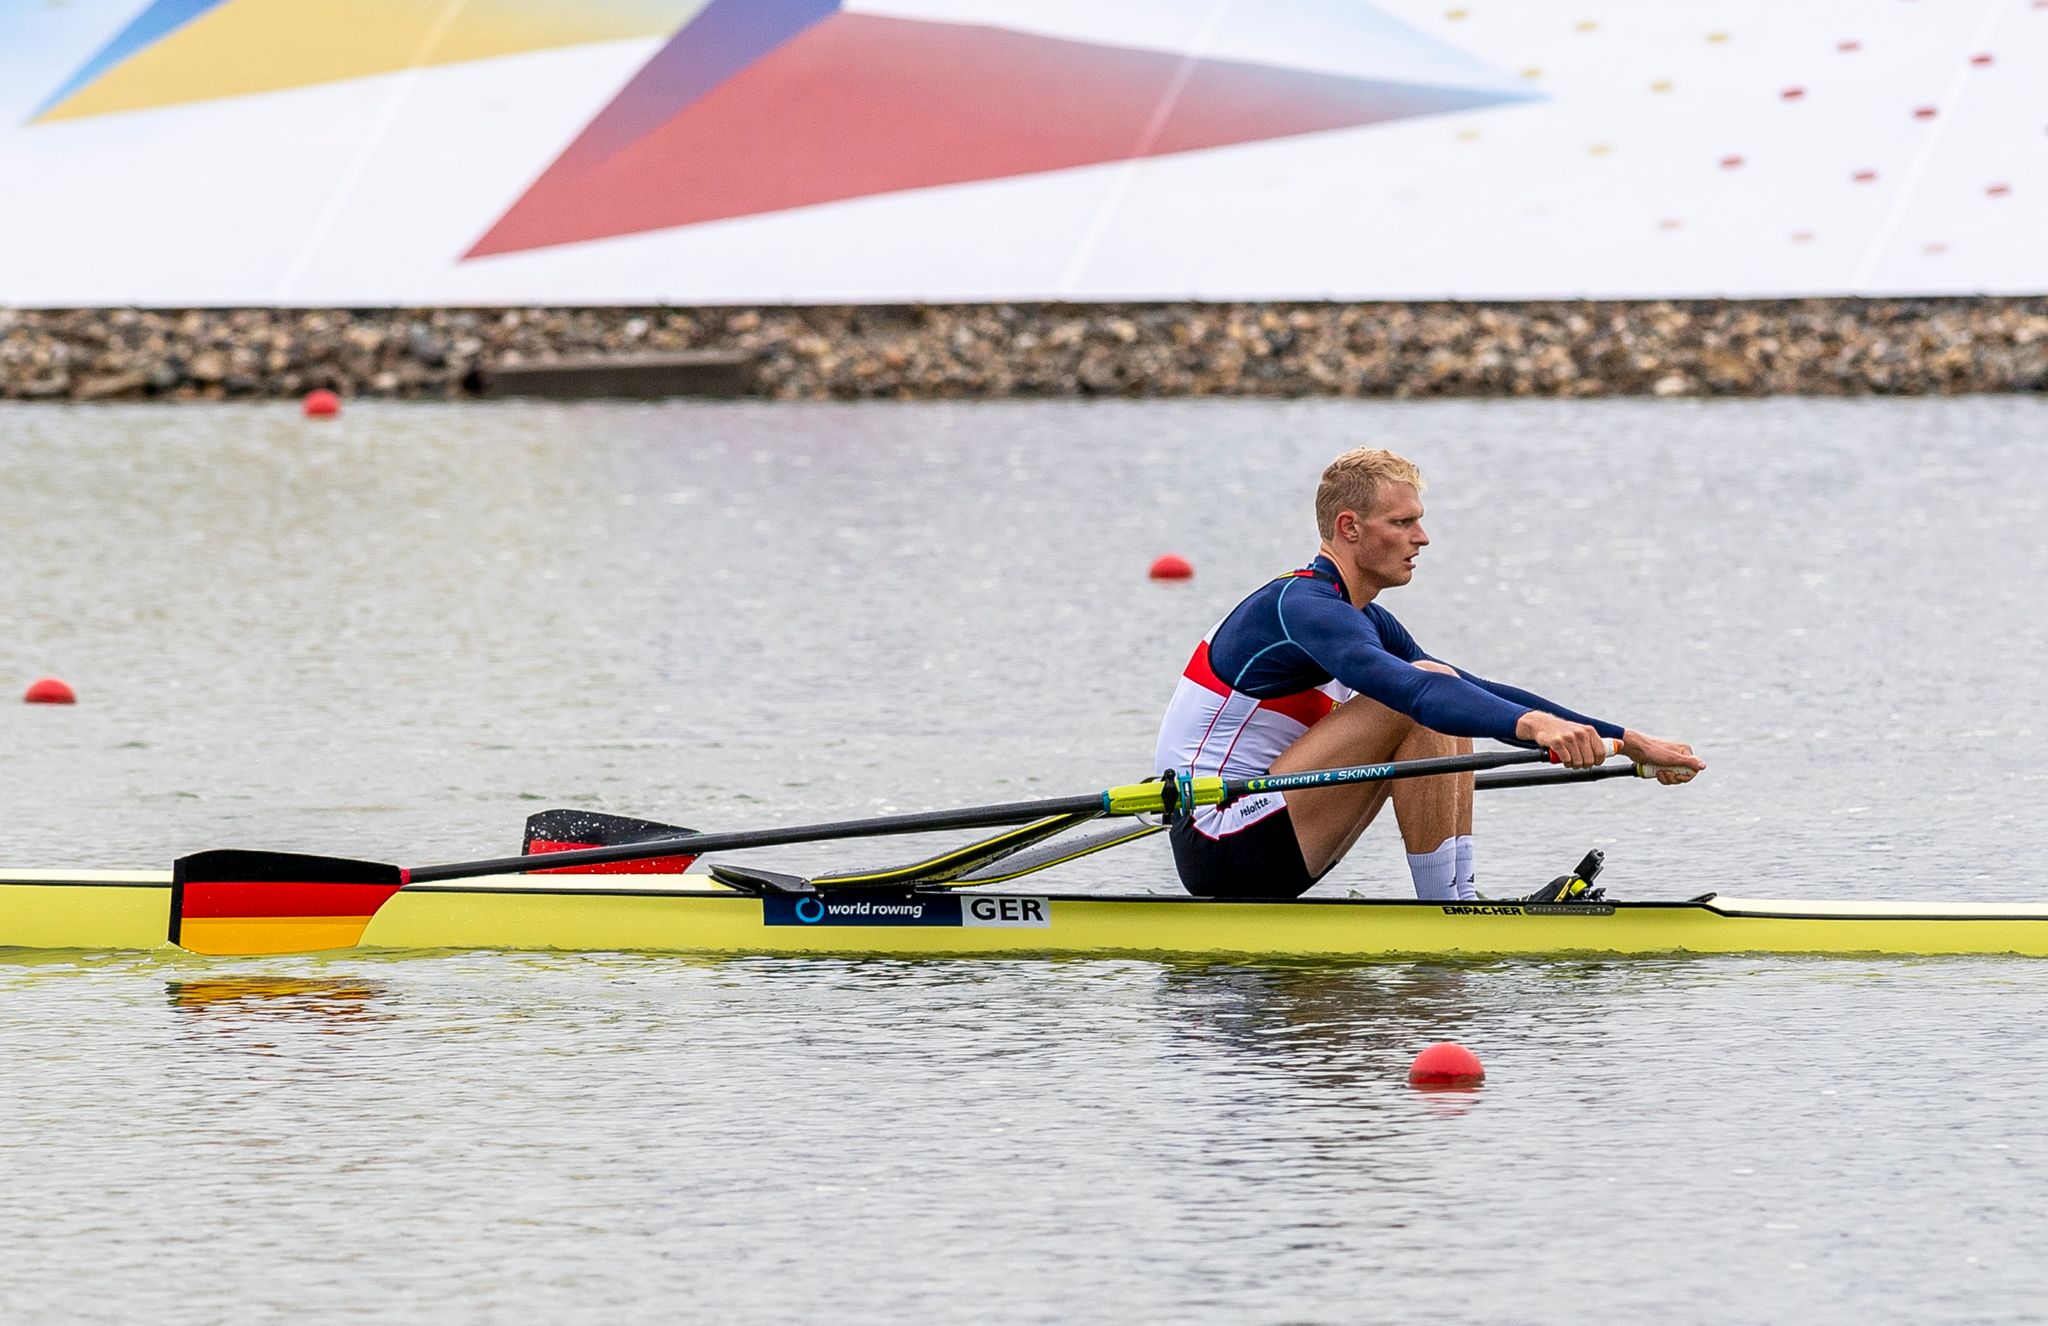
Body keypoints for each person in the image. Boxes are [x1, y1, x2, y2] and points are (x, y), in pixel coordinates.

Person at [1152, 448, 1703, 902]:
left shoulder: (1361, 618)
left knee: (1440, 688)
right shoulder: (1302, 607)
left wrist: (1629, 740)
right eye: (1403, 522)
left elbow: (1473, 691)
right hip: (1218, 838)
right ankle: (1452, 912)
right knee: (1417, 694)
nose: (1423, 537)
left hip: (1270, 829)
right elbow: (1418, 692)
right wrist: (1535, 728)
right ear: (1350, 528)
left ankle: (1456, 902)